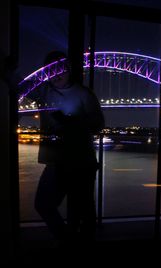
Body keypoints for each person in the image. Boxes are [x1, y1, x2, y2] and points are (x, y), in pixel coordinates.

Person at [25, 50, 105, 244]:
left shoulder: (84, 94)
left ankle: (77, 244)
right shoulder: (43, 91)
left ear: (68, 70)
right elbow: (19, 86)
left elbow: (98, 124)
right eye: (51, 72)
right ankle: (69, 240)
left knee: (83, 210)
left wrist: (71, 122)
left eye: (60, 70)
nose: (56, 75)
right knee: (45, 204)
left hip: (80, 163)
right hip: (56, 162)